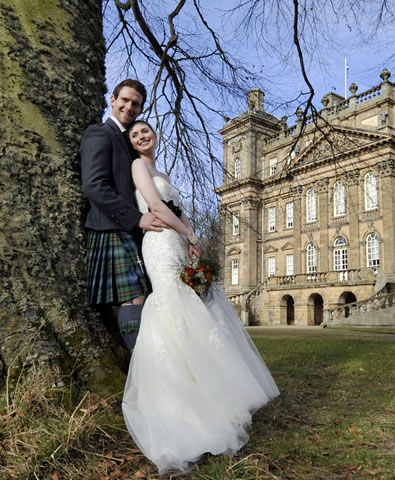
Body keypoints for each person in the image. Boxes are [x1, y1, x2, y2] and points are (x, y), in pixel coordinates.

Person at [121, 120, 279, 474]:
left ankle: (207, 399)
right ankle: (179, 403)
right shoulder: (138, 166)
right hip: (160, 243)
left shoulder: (161, 169)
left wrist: (192, 240)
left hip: (176, 241)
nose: (142, 137)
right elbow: (155, 207)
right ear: (132, 142)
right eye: (135, 134)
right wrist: (188, 233)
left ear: (155, 135)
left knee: (194, 310)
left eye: (146, 131)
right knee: (173, 309)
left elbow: (177, 208)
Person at [81, 79, 169, 350]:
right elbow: (94, 186)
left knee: (147, 297)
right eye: (125, 100)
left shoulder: (130, 142)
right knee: (135, 298)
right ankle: (141, 371)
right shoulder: (99, 133)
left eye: (136, 104)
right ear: (113, 99)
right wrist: (136, 218)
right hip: (111, 229)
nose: (129, 107)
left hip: (133, 233)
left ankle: (149, 368)